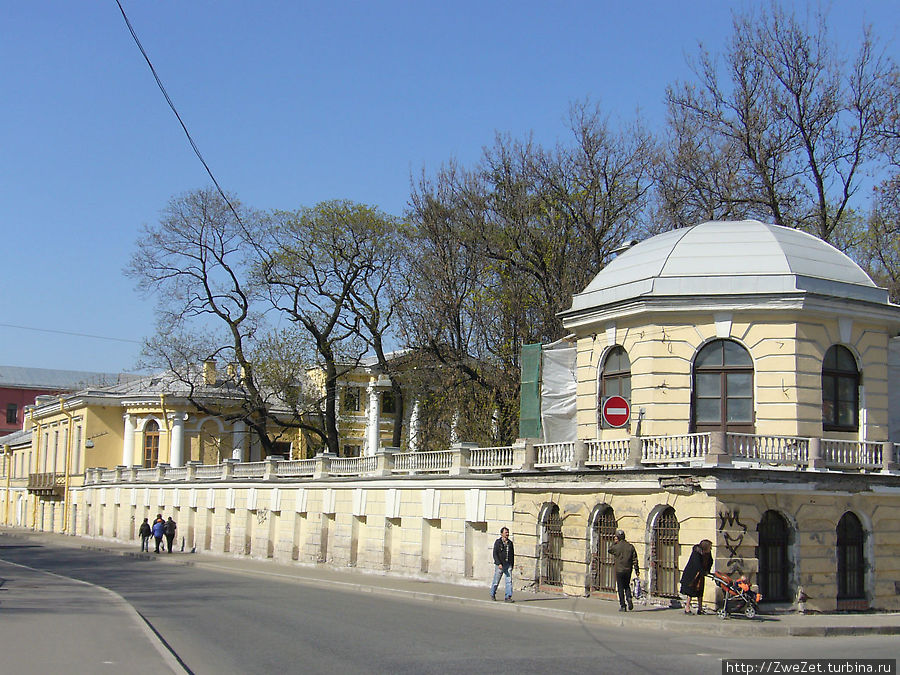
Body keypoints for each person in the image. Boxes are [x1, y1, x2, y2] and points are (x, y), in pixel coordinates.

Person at [608, 529, 639, 612]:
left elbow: (609, 549)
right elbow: (635, 559)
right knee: (627, 585)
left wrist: (614, 542)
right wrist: (637, 569)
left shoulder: (616, 547)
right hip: (628, 569)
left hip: (619, 570)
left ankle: (623, 605)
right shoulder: (630, 546)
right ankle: (629, 598)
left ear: (617, 537)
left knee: (620, 588)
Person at [680, 539, 713, 614]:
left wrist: (708, 570)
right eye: (710, 547)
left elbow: (710, 561)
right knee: (690, 592)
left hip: (700, 575)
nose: (711, 549)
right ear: (705, 547)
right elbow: (697, 564)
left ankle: (700, 609)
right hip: (692, 575)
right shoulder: (696, 553)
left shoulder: (708, 553)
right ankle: (687, 608)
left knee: (700, 591)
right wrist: (702, 571)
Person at [490, 526, 515, 603]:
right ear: (502, 534)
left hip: (508, 565)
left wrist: (512, 564)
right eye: (505, 532)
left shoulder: (510, 543)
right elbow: (495, 553)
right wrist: (498, 563)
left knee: (509, 581)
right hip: (500, 565)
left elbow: (512, 554)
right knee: (496, 581)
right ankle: (492, 593)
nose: (507, 534)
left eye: (508, 532)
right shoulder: (498, 542)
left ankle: (508, 597)